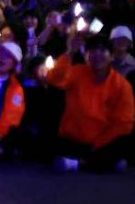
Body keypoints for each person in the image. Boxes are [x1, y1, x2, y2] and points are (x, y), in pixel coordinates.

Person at [47, 34, 135, 172]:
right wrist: (70, 52)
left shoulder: (122, 85)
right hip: (73, 139)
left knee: (126, 142)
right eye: (92, 50)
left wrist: (98, 143)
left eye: (102, 50)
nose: (97, 54)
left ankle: (77, 164)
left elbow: (124, 123)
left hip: (103, 142)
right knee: (48, 143)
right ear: (86, 56)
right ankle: (101, 162)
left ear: (111, 56)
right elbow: (54, 80)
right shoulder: (77, 72)